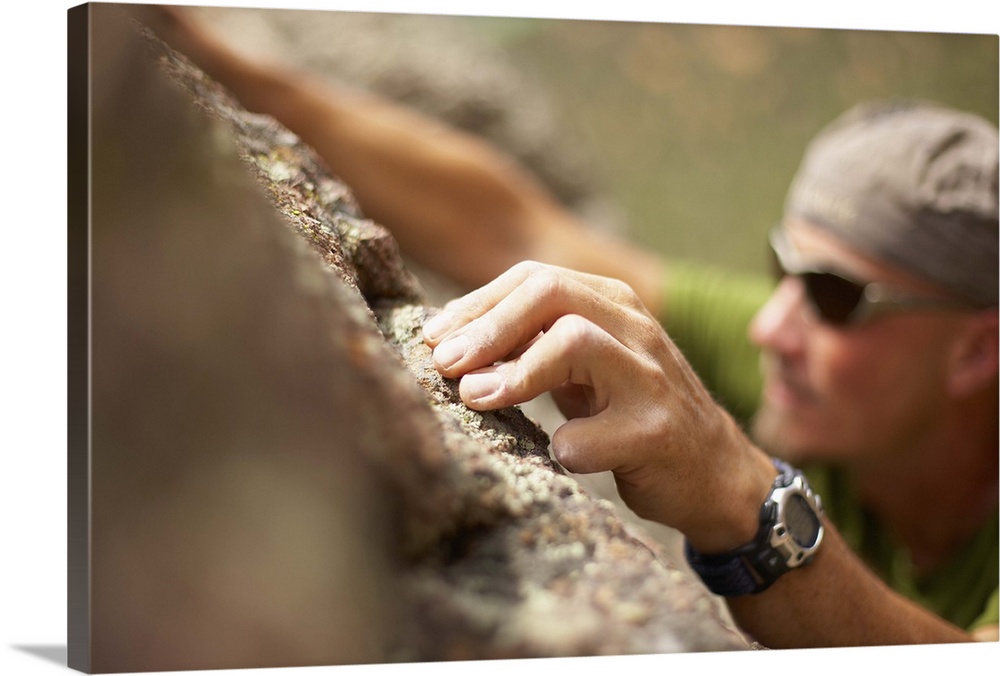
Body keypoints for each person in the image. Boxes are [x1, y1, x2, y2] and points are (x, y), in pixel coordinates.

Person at [148, 6, 998, 649]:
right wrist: (235, 76)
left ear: (978, 350)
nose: (773, 326)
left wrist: (743, 492)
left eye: (835, 297)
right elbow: (517, 229)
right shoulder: (812, 362)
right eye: (780, 270)